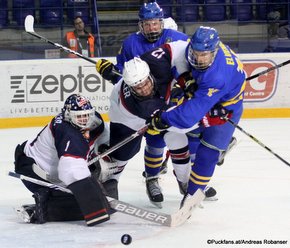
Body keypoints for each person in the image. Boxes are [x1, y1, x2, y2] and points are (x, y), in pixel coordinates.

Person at [96, 55, 231, 208]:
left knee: (178, 140)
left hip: (155, 109)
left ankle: (185, 183)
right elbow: (179, 121)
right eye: (138, 88)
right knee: (123, 154)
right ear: (131, 88)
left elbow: (176, 58)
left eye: (145, 83)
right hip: (126, 119)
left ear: (149, 75)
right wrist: (207, 117)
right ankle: (109, 182)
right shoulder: (142, 105)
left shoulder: (154, 69)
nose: (144, 89)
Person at [147, 26, 246, 206]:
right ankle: (190, 181)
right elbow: (181, 61)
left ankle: (192, 195)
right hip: (207, 94)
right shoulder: (195, 49)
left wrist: (163, 120)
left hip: (226, 108)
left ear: (214, 52)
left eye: (204, 55)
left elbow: (188, 116)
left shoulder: (218, 76)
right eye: (196, 53)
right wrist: (187, 81)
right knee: (192, 138)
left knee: (208, 153)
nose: (198, 59)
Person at [13, 94, 116, 226]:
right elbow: (70, 171)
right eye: (79, 116)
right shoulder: (68, 132)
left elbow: (102, 135)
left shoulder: (94, 121)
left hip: (39, 162)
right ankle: (43, 206)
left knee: (101, 195)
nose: (84, 120)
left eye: (86, 115)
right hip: (33, 171)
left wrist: (101, 150)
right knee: (84, 205)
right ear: (68, 115)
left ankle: (52, 198)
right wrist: (92, 196)